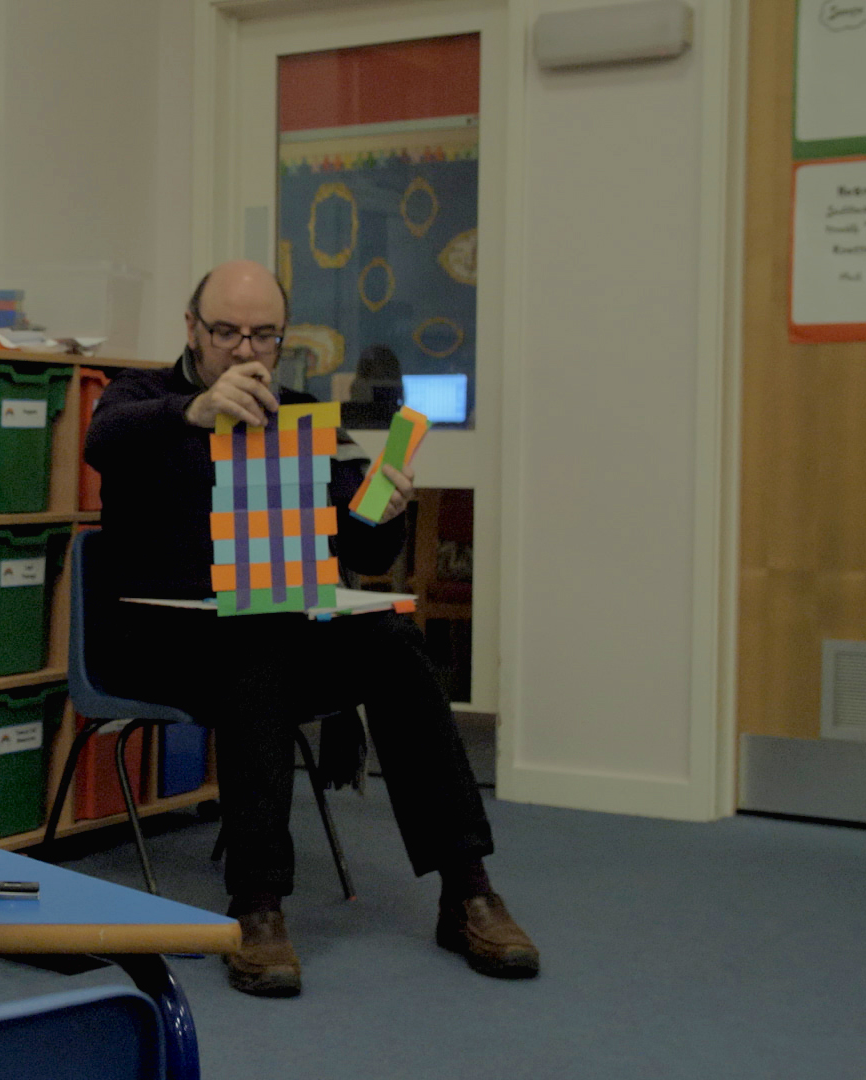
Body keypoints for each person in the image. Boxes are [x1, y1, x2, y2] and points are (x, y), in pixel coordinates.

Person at [84, 260, 537, 998]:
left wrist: (382, 513)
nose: (243, 350)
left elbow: (361, 549)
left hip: (272, 634)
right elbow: (103, 440)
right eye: (226, 331)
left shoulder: (300, 417)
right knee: (257, 640)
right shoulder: (143, 398)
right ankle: (258, 907)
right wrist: (193, 414)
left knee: (390, 641)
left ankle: (468, 892)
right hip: (159, 642)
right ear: (192, 330)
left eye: (263, 335)